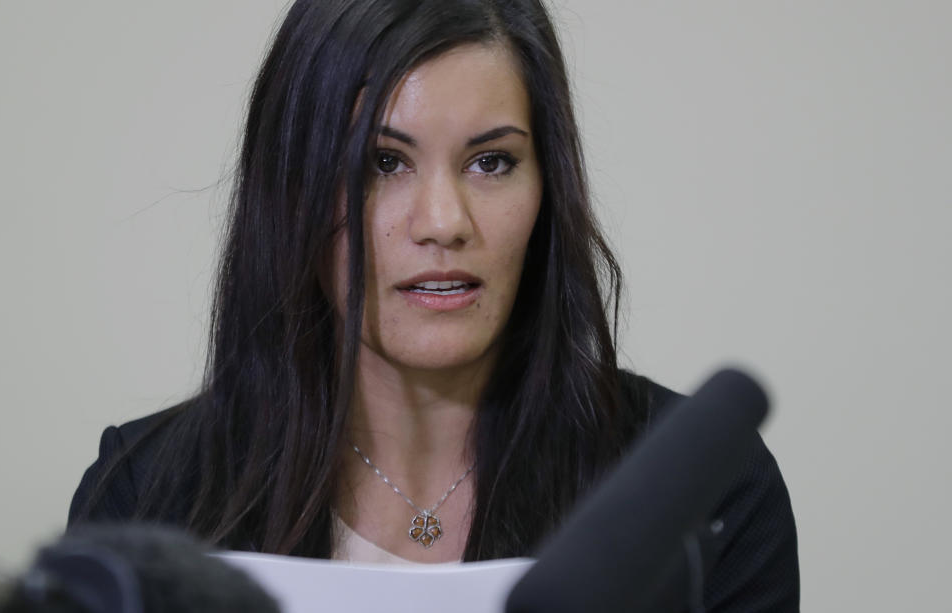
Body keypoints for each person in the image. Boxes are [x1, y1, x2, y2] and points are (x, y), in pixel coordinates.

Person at [69, 0, 799, 609]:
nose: (443, 220)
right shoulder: (147, 489)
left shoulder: (703, 491)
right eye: (381, 163)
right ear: (290, 190)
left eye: (491, 162)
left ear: (547, 189)